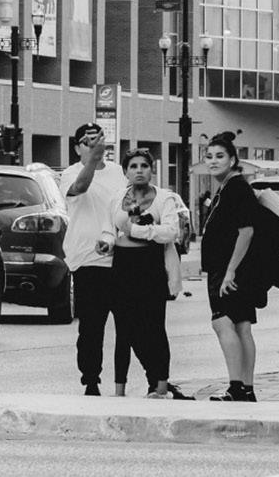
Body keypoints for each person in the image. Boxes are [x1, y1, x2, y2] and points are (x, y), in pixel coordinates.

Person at [105, 149, 189, 400]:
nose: (139, 170)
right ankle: (119, 390)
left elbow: (171, 232)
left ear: (152, 170)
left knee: (154, 327)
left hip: (151, 265)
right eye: (133, 166)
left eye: (144, 165)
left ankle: (160, 388)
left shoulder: (165, 198)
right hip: (122, 265)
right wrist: (106, 241)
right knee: (123, 330)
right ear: (125, 171)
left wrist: (136, 231)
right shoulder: (117, 198)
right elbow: (109, 228)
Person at [200, 131, 270, 402]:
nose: (213, 161)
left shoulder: (236, 188)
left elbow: (246, 231)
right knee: (241, 326)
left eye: (220, 156)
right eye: (209, 156)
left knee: (222, 323)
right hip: (235, 267)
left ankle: (237, 387)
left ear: (232, 160)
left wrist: (229, 272)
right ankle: (246, 389)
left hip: (228, 268)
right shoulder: (230, 187)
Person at [60, 123, 122, 396]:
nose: (93, 145)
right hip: (88, 260)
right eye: (87, 142)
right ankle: (91, 380)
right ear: (77, 148)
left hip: (122, 256)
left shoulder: (119, 172)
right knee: (92, 326)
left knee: (131, 324)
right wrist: (93, 160)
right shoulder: (71, 173)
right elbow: (80, 187)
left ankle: (144, 381)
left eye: (97, 140)